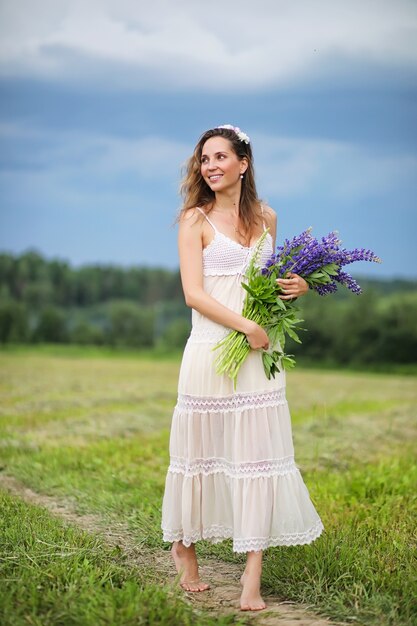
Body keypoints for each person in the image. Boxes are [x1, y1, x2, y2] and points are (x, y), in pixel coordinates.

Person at [161, 125, 323, 612]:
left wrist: (299, 286)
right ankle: (184, 548)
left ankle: (251, 576)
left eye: (219, 158)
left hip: (259, 359)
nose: (210, 166)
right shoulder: (195, 219)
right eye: (203, 159)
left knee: (258, 459)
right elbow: (194, 294)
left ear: (243, 164)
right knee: (199, 454)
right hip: (212, 350)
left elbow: (270, 283)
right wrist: (245, 328)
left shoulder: (267, 217)